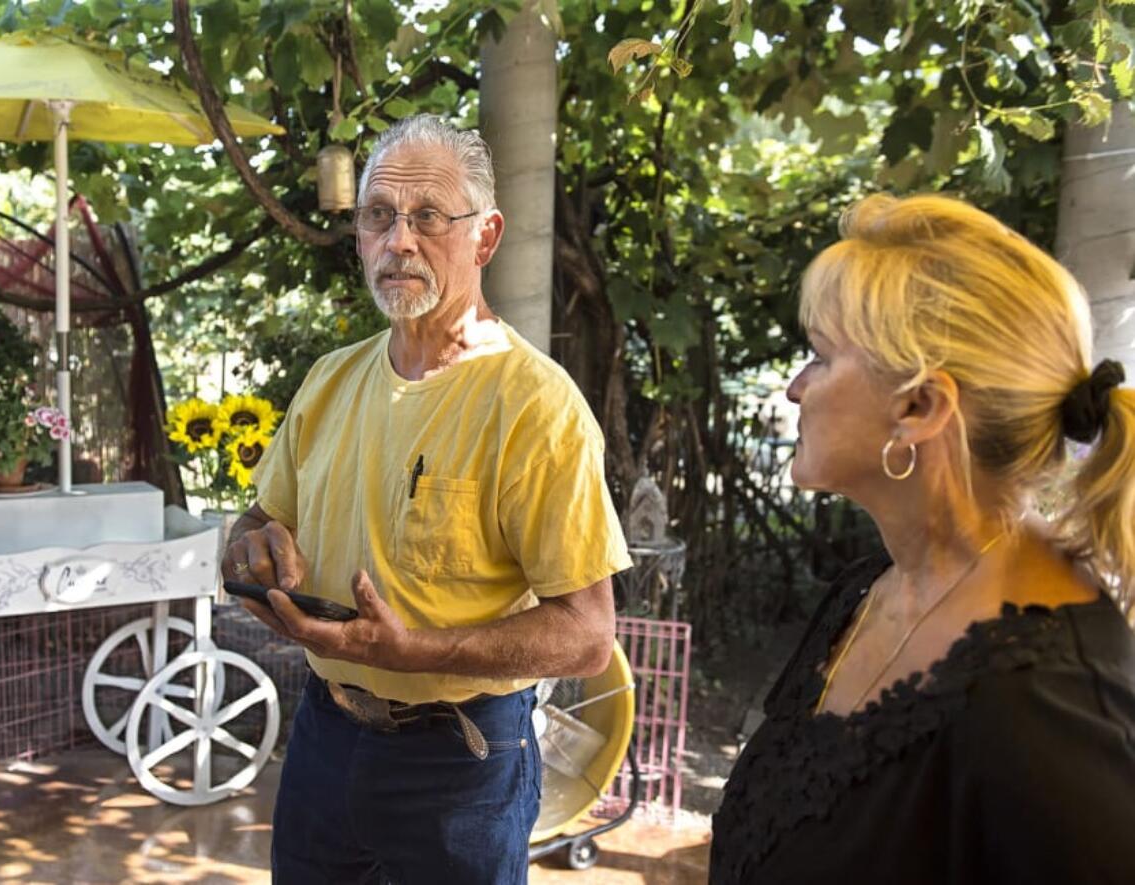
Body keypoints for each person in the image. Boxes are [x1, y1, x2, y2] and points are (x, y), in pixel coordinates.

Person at [221, 115, 631, 885]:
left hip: (462, 758)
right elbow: (260, 516)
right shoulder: (331, 379)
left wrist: (417, 651)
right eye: (379, 215)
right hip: (324, 733)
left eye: (429, 217)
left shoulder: (536, 405)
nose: (399, 240)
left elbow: (586, 634)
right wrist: (251, 548)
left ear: (486, 235)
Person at [711, 194, 1135, 884]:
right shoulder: (866, 590)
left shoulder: (1049, 704)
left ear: (920, 407)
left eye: (819, 357)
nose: (794, 389)